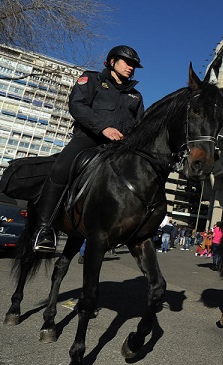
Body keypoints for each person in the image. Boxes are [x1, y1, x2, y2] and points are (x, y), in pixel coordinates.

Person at [32, 45, 145, 251]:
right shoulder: (91, 80)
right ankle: (43, 229)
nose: (131, 68)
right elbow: (77, 105)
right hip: (88, 139)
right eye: (127, 63)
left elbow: (140, 126)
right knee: (61, 168)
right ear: (112, 62)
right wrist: (103, 128)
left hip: (120, 147)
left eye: (134, 65)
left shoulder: (136, 96)